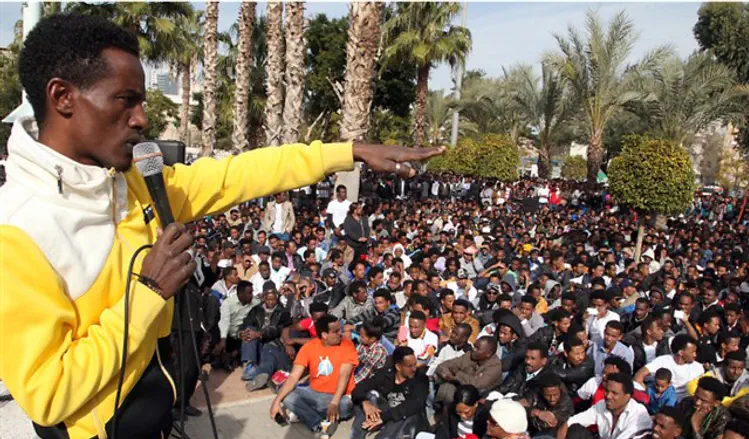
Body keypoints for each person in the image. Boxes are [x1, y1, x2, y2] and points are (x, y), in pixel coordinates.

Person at [1, 14, 442, 439]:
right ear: (62, 97)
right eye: (125, 100)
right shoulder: (17, 230)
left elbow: (238, 174)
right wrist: (149, 293)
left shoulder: (128, 181)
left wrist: (346, 152)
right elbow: (49, 393)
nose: (141, 119)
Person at [270, 315, 358, 434]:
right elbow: (293, 376)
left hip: (338, 397)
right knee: (284, 393)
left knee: (346, 405)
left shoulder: (347, 345)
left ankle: (306, 413)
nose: (340, 333)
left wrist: (334, 402)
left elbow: (345, 375)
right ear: (324, 335)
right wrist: (276, 402)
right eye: (336, 331)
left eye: (340, 329)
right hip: (314, 393)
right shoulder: (309, 347)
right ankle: (319, 423)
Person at [350, 346, 429, 439]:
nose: (414, 369)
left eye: (414, 364)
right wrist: (365, 403)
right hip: (386, 413)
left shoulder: (420, 378)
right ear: (398, 367)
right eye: (409, 366)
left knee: (407, 416)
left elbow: (415, 404)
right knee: (368, 397)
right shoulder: (386, 374)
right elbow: (359, 388)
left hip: (406, 418)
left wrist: (383, 417)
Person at [557, 373, 653, 439]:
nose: (608, 396)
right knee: (575, 430)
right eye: (607, 391)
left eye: (614, 393)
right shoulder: (602, 405)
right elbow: (572, 421)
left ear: (628, 396)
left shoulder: (639, 415)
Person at [240, 289, 293, 390]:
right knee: (249, 330)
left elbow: (277, 329)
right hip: (256, 343)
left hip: (273, 342)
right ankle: (250, 365)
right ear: (264, 299)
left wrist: (260, 334)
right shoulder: (256, 310)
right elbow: (246, 322)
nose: (271, 302)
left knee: (268, 358)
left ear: (277, 299)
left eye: (273, 299)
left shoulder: (283, 312)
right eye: (268, 299)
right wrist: (242, 332)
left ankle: (263, 374)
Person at [436, 336, 503, 407]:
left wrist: (457, 374)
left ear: (488, 354)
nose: (473, 349)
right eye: (474, 346)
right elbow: (445, 365)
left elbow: (477, 384)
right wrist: (447, 375)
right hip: (461, 388)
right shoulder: (470, 355)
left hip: (481, 397)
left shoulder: (495, 366)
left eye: (478, 348)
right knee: (446, 383)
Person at [634, 335, 705, 400]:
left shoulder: (698, 368)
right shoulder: (663, 360)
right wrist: (649, 393)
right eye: (692, 352)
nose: (695, 355)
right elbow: (638, 376)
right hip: (658, 401)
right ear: (681, 352)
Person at [215, 281, 261, 369]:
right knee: (217, 331)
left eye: (252, 292)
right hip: (228, 334)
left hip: (243, 333)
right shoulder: (228, 303)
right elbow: (224, 321)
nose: (252, 295)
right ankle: (219, 356)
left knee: (249, 332)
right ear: (240, 293)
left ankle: (235, 357)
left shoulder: (256, 302)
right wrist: (223, 339)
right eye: (249, 293)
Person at [522, 373, 574, 438]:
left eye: (555, 395)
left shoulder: (566, 402)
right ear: (541, 391)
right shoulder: (534, 394)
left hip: (553, 432)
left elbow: (544, 425)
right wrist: (537, 412)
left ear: (560, 390)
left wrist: (529, 413)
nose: (552, 399)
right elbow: (518, 407)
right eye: (547, 395)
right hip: (528, 429)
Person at [354, 317, 390, 385]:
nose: (359, 338)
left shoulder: (378, 352)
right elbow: (354, 358)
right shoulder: (363, 345)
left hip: (371, 380)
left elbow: (364, 374)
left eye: (362, 337)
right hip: (359, 373)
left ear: (372, 339)